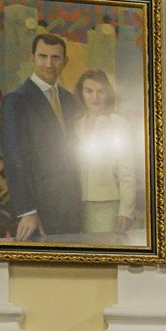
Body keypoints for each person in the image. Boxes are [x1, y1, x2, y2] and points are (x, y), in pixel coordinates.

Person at [0, 33, 82, 240]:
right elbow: (14, 158)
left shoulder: (70, 99)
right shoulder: (16, 101)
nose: (49, 63)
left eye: (55, 57)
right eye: (43, 56)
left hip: (72, 204)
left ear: (65, 61)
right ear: (32, 58)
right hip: (38, 209)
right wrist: (27, 211)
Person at [70, 69, 137, 235]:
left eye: (100, 91)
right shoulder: (74, 124)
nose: (95, 97)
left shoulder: (119, 124)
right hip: (74, 203)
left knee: (101, 254)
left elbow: (127, 172)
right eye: (89, 91)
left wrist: (126, 211)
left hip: (106, 204)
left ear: (108, 94)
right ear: (81, 93)